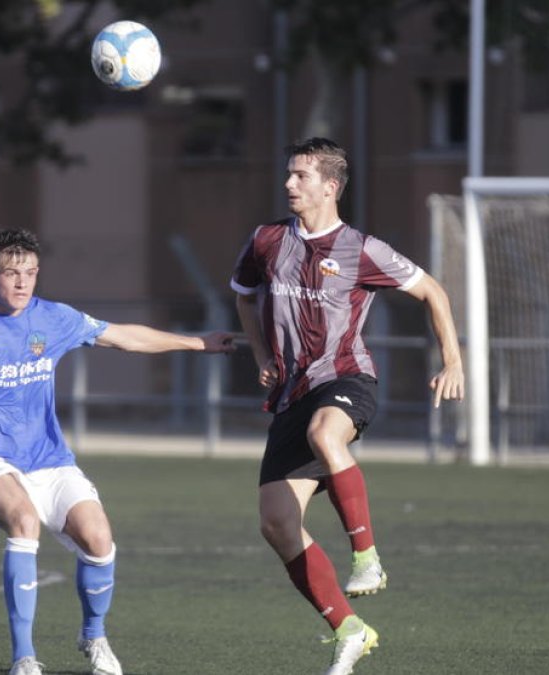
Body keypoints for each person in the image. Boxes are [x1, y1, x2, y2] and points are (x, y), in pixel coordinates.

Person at [0, 228, 234, 675]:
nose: (22, 283)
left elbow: (124, 337)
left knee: (99, 539)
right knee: (24, 521)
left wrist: (196, 342)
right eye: (10, 273)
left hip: (48, 457)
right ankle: (24, 658)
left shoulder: (53, 318)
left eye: (29, 273)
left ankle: (94, 636)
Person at [230, 138, 465, 675]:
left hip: (346, 379)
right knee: (276, 523)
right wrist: (262, 355)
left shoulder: (361, 248)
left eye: (301, 176)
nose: (289, 184)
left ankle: (367, 558)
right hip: (290, 393)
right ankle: (349, 628)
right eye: (288, 174)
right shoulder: (267, 241)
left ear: (330, 187)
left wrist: (454, 362)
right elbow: (244, 294)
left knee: (325, 434)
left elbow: (433, 291)